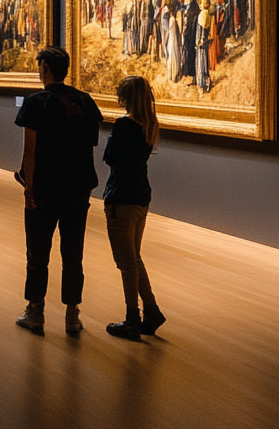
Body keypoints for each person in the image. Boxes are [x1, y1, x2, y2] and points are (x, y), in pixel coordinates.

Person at [13, 45, 102, 334]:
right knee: (73, 253)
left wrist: (29, 188)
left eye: (39, 66)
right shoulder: (86, 101)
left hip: (45, 189)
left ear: (46, 69)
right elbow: (89, 145)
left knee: (38, 252)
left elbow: (31, 150)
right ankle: (72, 314)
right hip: (77, 188)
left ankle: (35, 311)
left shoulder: (37, 102)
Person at [102, 75, 167, 340]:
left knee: (126, 262)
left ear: (126, 97)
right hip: (141, 196)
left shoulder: (124, 126)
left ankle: (132, 317)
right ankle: (151, 311)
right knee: (134, 258)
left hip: (122, 196)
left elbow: (109, 158)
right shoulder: (149, 125)